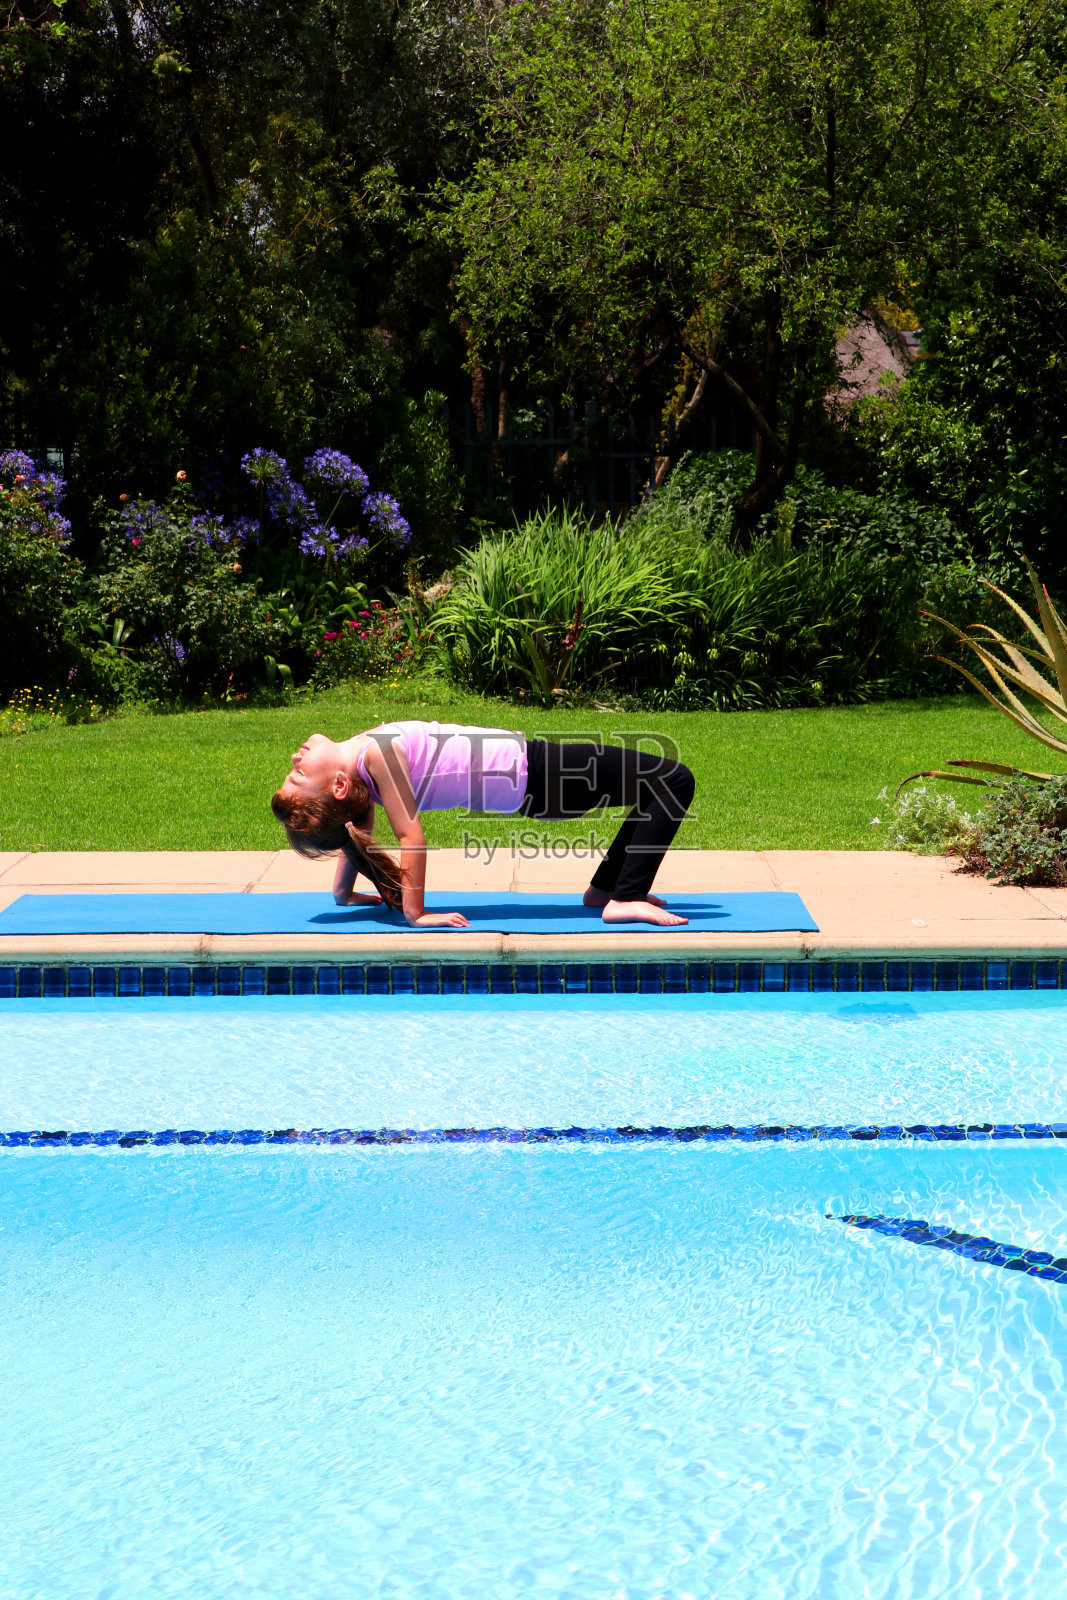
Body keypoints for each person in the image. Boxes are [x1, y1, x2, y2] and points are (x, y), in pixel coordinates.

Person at [271, 721, 695, 928]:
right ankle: (623, 899)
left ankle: (607, 890)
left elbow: (354, 827)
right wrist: (415, 914)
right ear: (339, 785)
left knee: (658, 785)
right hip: (541, 775)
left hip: (537, 773)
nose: (295, 759)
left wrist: (343, 893)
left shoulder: (363, 767)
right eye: (300, 776)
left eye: (292, 773)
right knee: (674, 780)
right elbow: (410, 836)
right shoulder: (377, 756)